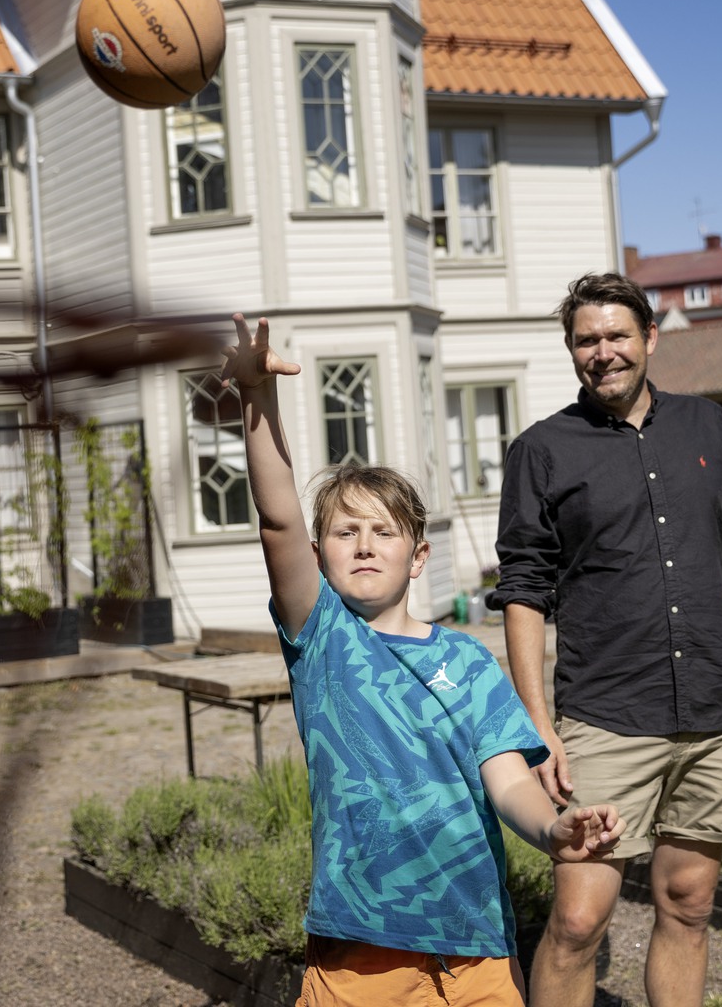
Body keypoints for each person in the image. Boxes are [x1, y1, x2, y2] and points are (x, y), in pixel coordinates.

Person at [222, 313, 626, 1007]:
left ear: (419, 556)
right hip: (360, 954)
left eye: (385, 531)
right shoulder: (323, 640)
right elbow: (279, 519)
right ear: (320, 557)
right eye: (345, 532)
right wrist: (257, 400)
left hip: (475, 952)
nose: (365, 544)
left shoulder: (469, 663)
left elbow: (509, 784)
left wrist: (554, 830)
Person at [490, 273, 722, 1007]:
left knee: (687, 904)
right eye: (586, 340)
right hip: (607, 716)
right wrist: (536, 724)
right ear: (571, 351)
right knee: (580, 920)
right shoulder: (541, 450)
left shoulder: (707, 426)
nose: (604, 352)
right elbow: (524, 591)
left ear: (649, 339)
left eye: (617, 335)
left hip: (717, 710)